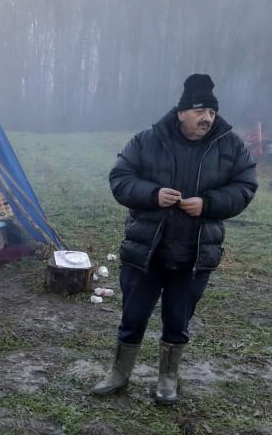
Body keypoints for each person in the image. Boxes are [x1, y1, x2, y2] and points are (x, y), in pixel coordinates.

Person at [90, 73, 257, 404]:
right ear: (181, 113)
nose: (207, 118)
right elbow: (120, 178)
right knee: (133, 316)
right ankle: (119, 374)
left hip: (194, 255)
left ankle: (168, 379)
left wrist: (208, 204)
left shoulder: (231, 146)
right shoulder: (147, 141)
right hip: (147, 251)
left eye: (211, 112)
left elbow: (245, 187)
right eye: (200, 111)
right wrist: (153, 194)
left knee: (178, 320)